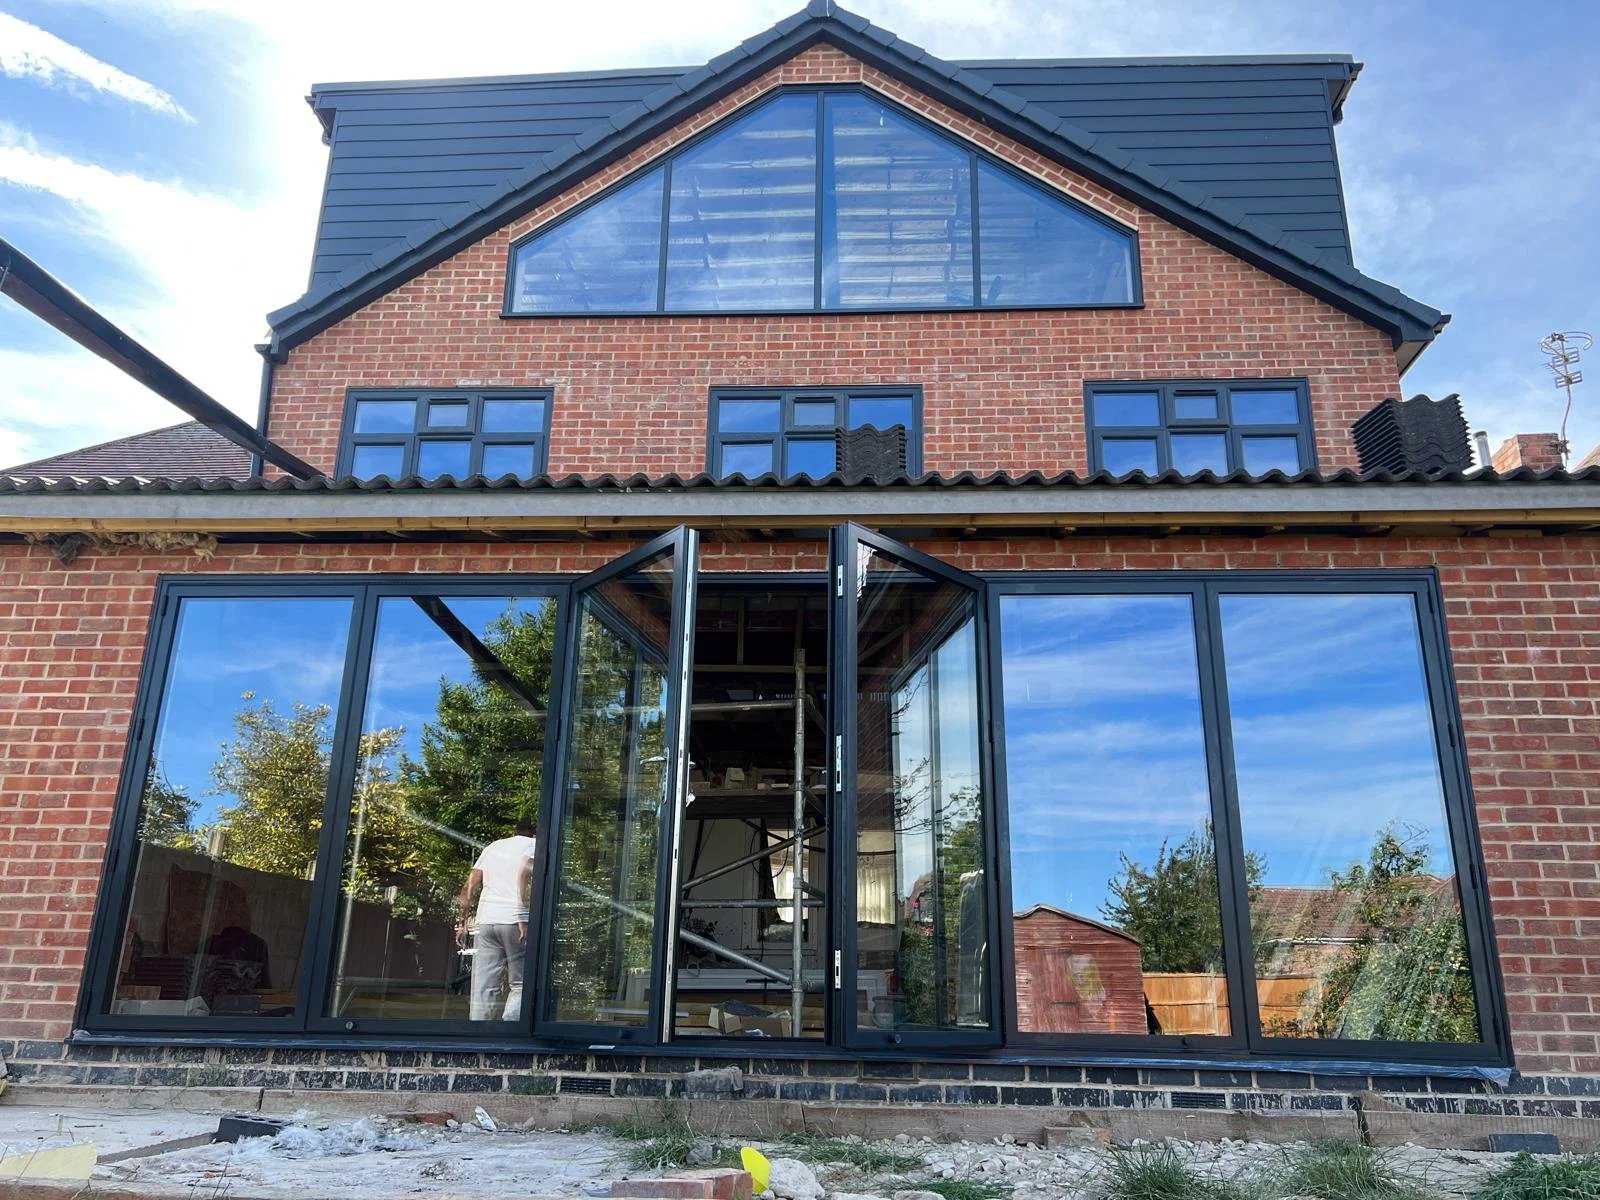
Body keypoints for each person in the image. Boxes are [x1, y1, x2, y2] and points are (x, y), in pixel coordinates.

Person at [457, 818, 537, 1021]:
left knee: (483, 984)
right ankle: (511, 1029)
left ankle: (479, 1031)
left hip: (487, 920)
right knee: (520, 984)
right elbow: (524, 871)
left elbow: (469, 886)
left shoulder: (493, 847)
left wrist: (462, 924)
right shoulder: (534, 844)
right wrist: (521, 914)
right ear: (533, 832)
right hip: (515, 921)